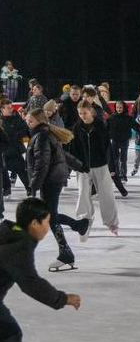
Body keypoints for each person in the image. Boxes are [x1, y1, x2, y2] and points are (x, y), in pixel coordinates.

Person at [0, 198, 82, 342]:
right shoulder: (19, 246)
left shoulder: (8, 231)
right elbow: (31, 284)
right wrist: (62, 299)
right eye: (46, 222)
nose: (48, 227)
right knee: (9, 335)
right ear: (34, 223)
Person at [25, 109, 88, 271]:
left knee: (49, 216)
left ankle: (66, 251)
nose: (28, 122)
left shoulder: (41, 136)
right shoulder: (44, 134)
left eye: (30, 120)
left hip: (50, 180)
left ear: (39, 121)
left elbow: (42, 164)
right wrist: (80, 166)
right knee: (50, 215)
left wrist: (34, 185)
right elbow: (62, 154)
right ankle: (78, 226)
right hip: (54, 178)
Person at [70, 101, 121, 236]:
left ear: (91, 111)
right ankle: (84, 222)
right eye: (80, 113)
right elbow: (73, 149)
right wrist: (77, 165)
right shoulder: (76, 128)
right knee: (83, 195)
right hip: (83, 168)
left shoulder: (100, 126)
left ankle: (112, 223)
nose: (82, 116)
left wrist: (111, 165)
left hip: (101, 165)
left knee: (106, 194)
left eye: (85, 113)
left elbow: (107, 147)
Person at [1, 99, 30, 196]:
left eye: (11, 107)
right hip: (3, 151)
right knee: (3, 172)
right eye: (8, 108)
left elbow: (25, 129)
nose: (11, 109)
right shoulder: (0, 120)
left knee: (21, 170)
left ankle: (29, 188)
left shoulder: (16, 117)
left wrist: (15, 136)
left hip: (15, 150)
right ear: (2, 109)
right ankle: (6, 189)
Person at [108, 100, 134, 182]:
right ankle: (116, 175)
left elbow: (135, 125)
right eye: (117, 107)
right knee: (115, 159)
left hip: (124, 140)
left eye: (120, 107)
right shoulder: (112, 117)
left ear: (124, 108)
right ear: (115, 108)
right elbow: (106, 126)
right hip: (115, 140)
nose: (119, 109)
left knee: (123, 159)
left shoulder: (128, 117)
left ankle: (123, 176)